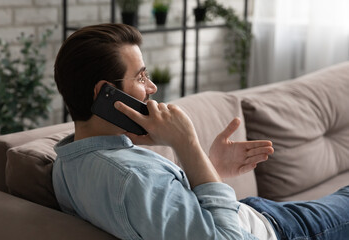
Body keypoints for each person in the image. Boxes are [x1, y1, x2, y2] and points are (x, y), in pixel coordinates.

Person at [52, 23, 349, 240]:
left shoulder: (66, 163)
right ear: (106, 94)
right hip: (277, 230)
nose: (152, 88)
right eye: (141, 77)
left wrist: (210, 168)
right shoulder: (132, 178)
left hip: (246, 213)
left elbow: (178, 220)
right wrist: (187, 143)